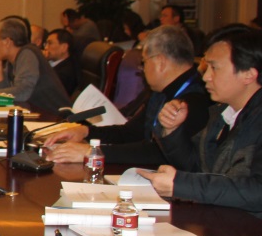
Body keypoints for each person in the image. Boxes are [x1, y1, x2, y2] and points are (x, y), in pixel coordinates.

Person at [143, 25, 262, 236]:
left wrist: (181, 184)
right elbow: (196, 167)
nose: (206, 77)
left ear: (248, 74)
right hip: (228, 228)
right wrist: (173, 131)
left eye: (214, 68)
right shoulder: (224, 112)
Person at [45, 26, 210, 167]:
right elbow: (130, 133)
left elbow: (160, 154)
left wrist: (92, 152)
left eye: (143, 62)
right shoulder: (162, 93)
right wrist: (86, 131)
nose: (142, 69)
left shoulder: (195, 101)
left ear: (160, 62)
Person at [0, 18, 69, 114]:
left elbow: (23, 92)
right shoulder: (13, 59)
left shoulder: (27, 54)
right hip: (39, 114)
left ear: (7, 42)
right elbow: (2, 91)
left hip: (56, 117)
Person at [43, 28, 81, 95]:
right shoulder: (51, 61)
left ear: (64, 47)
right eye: (46, 43)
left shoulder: (65, 73)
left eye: (50, 43)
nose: (46, 47)